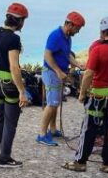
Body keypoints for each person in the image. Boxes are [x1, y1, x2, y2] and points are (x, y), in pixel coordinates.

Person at [63, 16, 108, 173]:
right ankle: (107, 164)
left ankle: (81, 162)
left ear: (103, 33)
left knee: (89, 129)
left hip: (98, 97)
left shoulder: (97, 50)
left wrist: (82, 94)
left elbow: (88, 74)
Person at [0, 3, 30, 168]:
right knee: (10, 122)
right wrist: (22, 91)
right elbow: (14, 67)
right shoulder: (13, 39)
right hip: (9, 84)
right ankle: (4, 158)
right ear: (20, 21)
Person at [37, 11, 86, 146]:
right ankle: (42, 134)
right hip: (51, 73)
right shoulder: (56, 35)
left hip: (57, 73)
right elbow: (47, 55)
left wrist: (78, 65)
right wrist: (58, 71)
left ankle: (52, 130)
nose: (78, 31)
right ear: (70, 24)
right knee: (52, 104)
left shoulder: (67, 37)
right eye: (77, 28)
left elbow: (67, 55)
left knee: (55, 102)